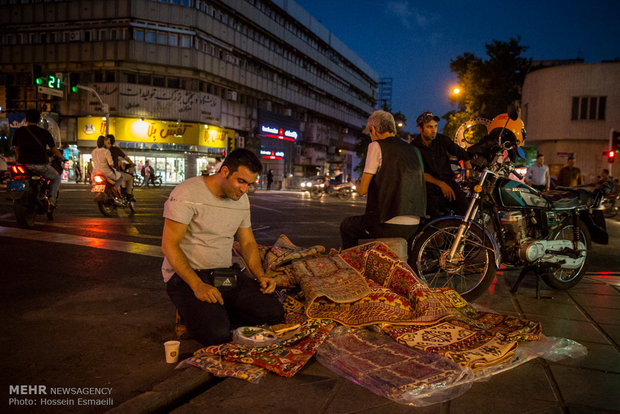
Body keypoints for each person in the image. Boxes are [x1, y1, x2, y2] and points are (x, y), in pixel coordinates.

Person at [161, 148, 284, 346]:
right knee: (217, 335)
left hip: (223, 274)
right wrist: (197, 285)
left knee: (274, 313)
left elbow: (248, 242)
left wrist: (260, 276)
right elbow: (169, 245)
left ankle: (212, 314)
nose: (244, 190)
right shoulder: (187, 192)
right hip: (187, 277)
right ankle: (192, 315)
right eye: (241, 181)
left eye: (249, 184)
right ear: (225, 172)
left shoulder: (241, 200)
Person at [340, 110, 426, 249]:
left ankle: (350, 265)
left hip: (386, 223)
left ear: (373, 129)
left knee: (347, 226)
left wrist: (357, 185)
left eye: (369, 133)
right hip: (414, 224)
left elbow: (362, 190)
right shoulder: (414, 150)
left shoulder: (376, 145)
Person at [411, 111, 471, 219]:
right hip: (428, 185)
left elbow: (462, 154)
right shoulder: (414, 147)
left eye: (435, 126)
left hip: (449, 181)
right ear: (420, 128)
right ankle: (436, 234)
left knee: (466, 209)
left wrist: (468, 172)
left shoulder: (442, 140)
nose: (433, 130)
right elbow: (418, 172)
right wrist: (441, 184)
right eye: (429, 127)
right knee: (433, 216)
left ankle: (463, 234)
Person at [11, 109, 65, 208]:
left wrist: (19, 159)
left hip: (23, 165)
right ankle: (52, 199)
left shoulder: (19, 132)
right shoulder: (44, 133)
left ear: (26, 119)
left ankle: (16, 196)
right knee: (56, 177)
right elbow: (54, 149)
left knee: (16, 178)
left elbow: (16, 148)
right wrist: (61, 157)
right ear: (39, 120)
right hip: (40, 165)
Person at [106, 134, 135, 201]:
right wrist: (132, 163)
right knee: (129, 177)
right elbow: (126, 157)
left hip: (103, 172)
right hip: (113, 173)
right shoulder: (115, 149)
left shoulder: (102, 150)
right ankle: (128, 194)